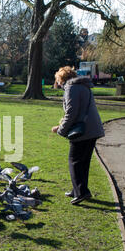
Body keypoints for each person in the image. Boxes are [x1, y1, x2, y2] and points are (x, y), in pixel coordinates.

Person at [51, 66, 105, 205]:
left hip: (83, 131)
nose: (58, 83)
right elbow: (77, 110)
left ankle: (81, 192)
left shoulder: (71, 88)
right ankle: (78, 190)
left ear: (62, 79)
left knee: (74, 161)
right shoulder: (82, 86)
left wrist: (61, 130)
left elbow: (71, 112)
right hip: (92, 129)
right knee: (83, 162)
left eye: (58, 79)